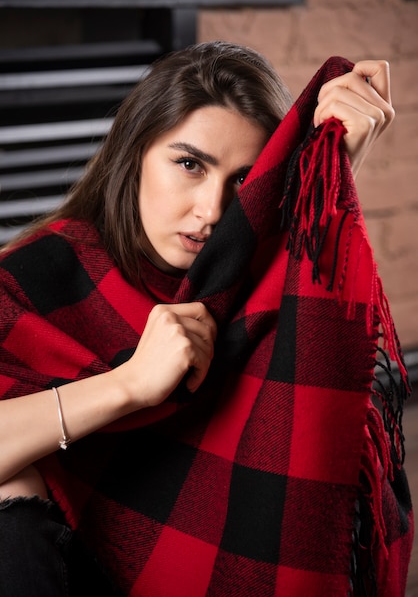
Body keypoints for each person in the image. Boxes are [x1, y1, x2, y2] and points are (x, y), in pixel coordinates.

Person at [0, 41, 412, 596]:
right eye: (190, 164)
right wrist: (128, 386)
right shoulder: (35, 277)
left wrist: (334, 165)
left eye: (245, 181)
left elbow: (306, 380)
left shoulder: (258, 274)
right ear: (135, 153)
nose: (212, 211)